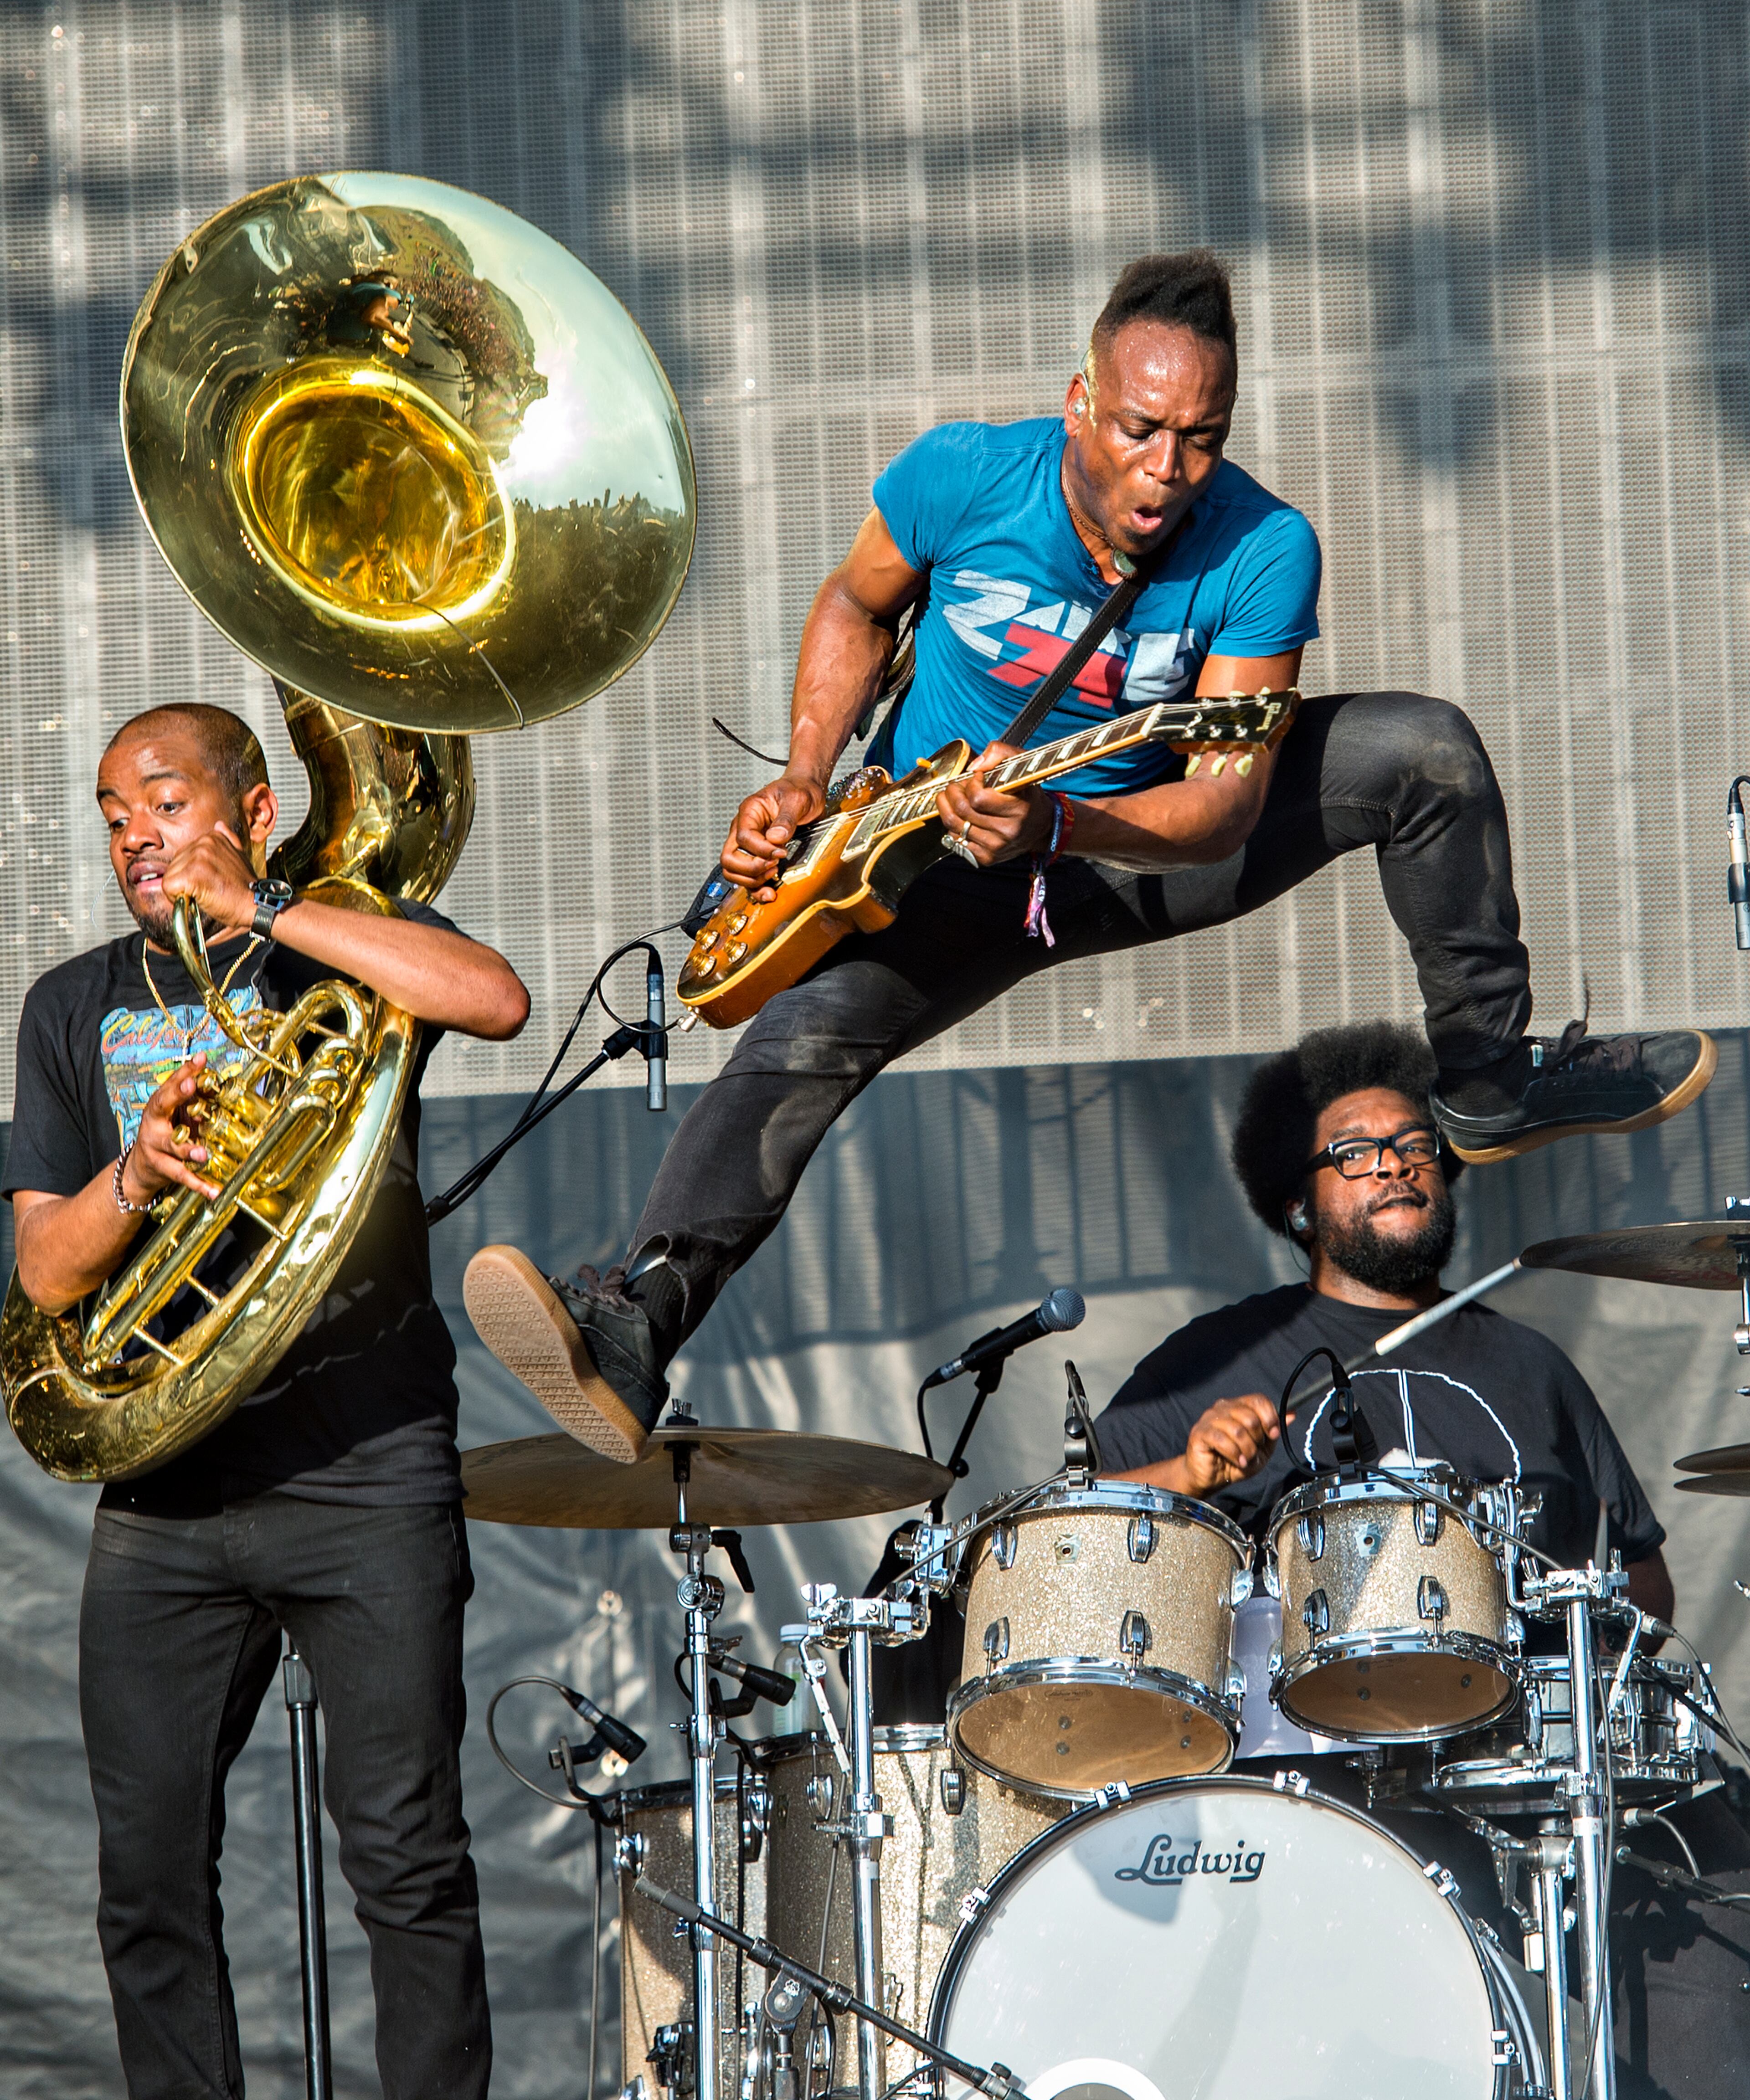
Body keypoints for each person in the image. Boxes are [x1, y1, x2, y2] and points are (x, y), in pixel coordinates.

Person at [462, 250, 1713, 1463]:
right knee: (806, 1037)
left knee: (1421, 752)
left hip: (1132, 847)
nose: (1166, 470)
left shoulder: (1263, 548)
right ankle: (638, 1322)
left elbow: (1225, 801)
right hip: (935, 855)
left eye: (1201, 439)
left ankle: (1488, 1078)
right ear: (1080, 401)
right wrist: (802, 773)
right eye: (1138, 428)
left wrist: (1063, 823)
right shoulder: (962, 475)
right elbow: (855, 603)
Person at [3, 704, 530, 2100]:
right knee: (148, 1883)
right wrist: (135, 1176)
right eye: (114, 815)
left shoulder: (335, 947)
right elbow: (45, 1270)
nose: (136, 836)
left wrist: (272, 911)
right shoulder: (70, 1004)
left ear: (250, 810)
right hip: (165, 1495)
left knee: (407, 1860)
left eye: (165, 804)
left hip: (363, 1472)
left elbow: (495, 999)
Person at [1093, 1018, 1750, 2098]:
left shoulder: (1532, 1366)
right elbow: (1080, 1538)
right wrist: (1188, 1469)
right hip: (1320, 1773)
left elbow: (1639, 1576)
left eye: (1413, 1146)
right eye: (1355, 1152)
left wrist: (1578, 1660)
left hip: (1528, 1766)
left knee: (1714, 1870)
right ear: (1300, 1205)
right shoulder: (1214, 1360)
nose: (1395, 1163)